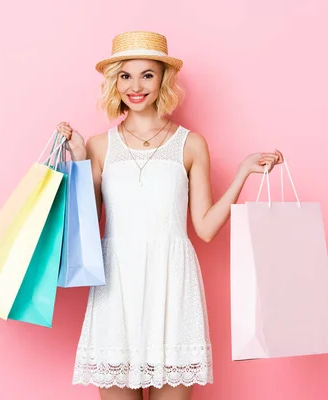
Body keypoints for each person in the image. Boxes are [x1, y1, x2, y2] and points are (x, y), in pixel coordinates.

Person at [55, 31, 283, 400]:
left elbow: (206, 228)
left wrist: (242, 173)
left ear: (163, 79)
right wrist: (80, 160)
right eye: (126, 75)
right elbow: (85, 226)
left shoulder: (191, 143)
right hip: (116, 287)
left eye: (147, 74)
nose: (136, 85)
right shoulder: (99, 145)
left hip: (172, 286)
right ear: (115, 82)